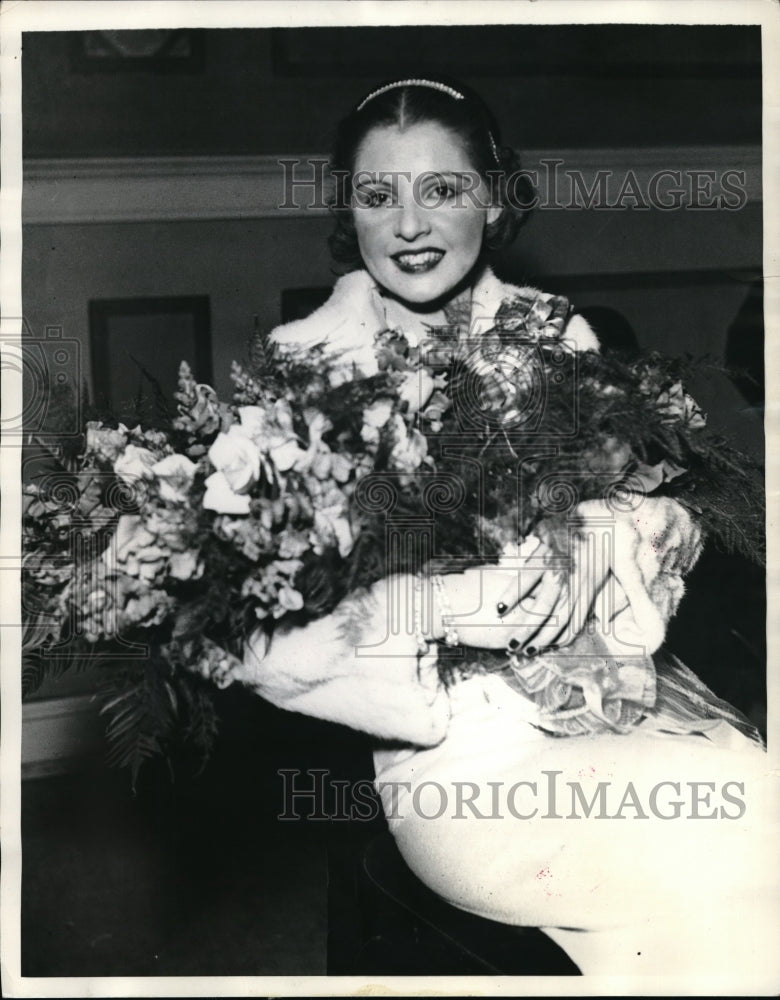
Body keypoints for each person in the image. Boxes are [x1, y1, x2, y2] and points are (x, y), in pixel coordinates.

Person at [226, 78, 775, 977]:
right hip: (456, 759)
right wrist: (447, 606)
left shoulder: (557, 335)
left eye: (442, 188)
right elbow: (262, 634)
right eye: (378, 195)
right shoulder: (297, 372)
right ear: (349, 214)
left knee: (727, 891)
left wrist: (607, 539)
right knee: (734, 833)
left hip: (619, 699)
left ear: (493, 195)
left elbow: (653, 512)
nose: (409, 224)